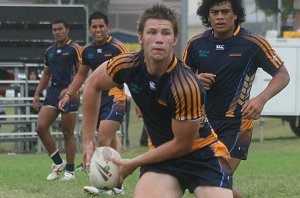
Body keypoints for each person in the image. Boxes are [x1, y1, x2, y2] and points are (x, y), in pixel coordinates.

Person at [82, 4, 233, 198]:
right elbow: (93, 84)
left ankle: (223, 189)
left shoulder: (185, 85)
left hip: (202, 155)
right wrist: (87, 141)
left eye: (166, 33)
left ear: (175, 39)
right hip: (163, 157)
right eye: (152, 32)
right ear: (140, 37)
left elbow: (183, 144)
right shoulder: (126, 64)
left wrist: (133, 163)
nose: (159, 39)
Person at [182, 0, 290, 197]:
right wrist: (195, 81)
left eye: (225, 12)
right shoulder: (195, 44)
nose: (220, 16)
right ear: (207, 16)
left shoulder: (253, 43)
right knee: (209, 183)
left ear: (235, 14)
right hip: (202, 123)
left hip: (238, 124)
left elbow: (283, 76)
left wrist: (261, 99)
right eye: (214, 12)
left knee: (215, 181)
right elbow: (179, 82)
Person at [58, 11, 128, 194]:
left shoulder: (118, 47)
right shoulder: (87, 50)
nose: (98, 30)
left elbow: (132, 72)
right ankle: (118, 184)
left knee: (104, 137)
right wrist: (69, 94)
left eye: (101, 26)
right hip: (96, 99)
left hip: (116, 97)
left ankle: (105, 183)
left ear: (107, 27)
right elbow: (81, 75)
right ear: (90, 29)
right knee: (108, 139)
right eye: (94, 27)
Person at [32, 19, 82, 181]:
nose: (57, 32)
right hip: (53, 92)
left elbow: (82, 72)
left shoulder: (74, 49)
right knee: (41, 127)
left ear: (67, 30)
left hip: (69, 93)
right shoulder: (50, 51)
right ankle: (58, 163)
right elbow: (46, 74)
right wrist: (37, 93)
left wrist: (71, 90)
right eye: (54, 29)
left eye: (60, 29)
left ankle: (70, 171)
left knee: (67, 132)